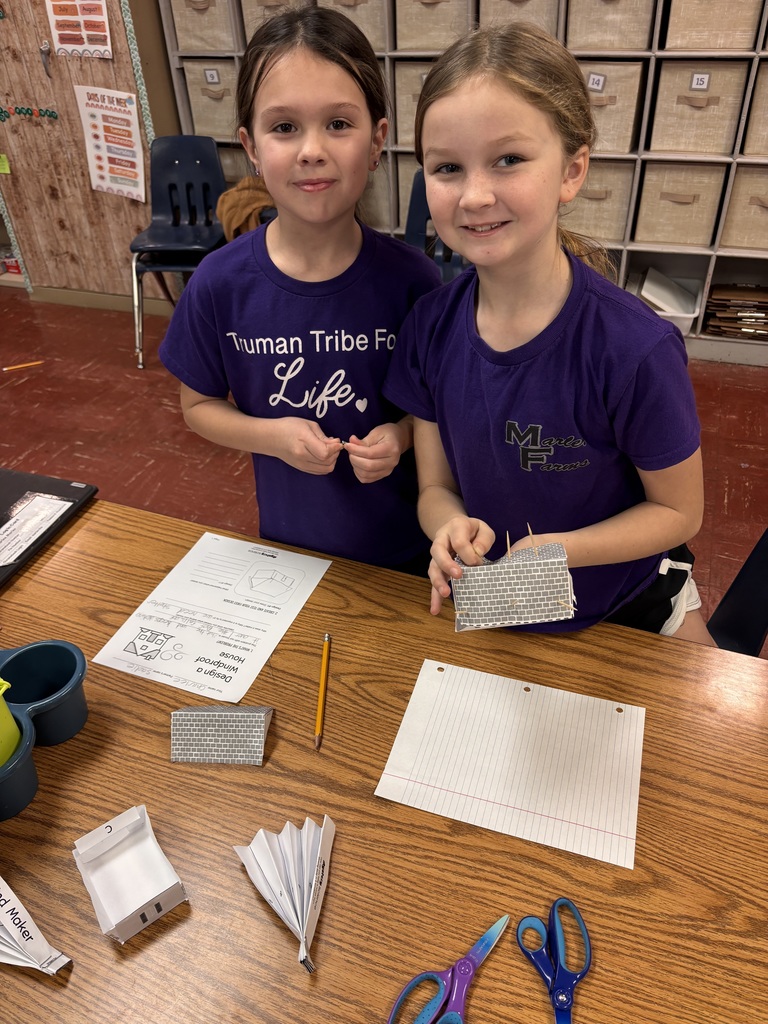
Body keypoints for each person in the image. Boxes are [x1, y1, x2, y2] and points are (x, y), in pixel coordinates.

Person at [384, 21, 716, 643]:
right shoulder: (430, 327)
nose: (476, 194)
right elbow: (435, 487)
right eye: (448, 167)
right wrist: (448, 527)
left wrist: (563, 552)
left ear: (572, 170)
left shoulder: (633, 349)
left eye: (508, 160)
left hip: (626, 602)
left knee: (702, 741)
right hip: (501, 600)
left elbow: (678, 511)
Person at [159, 6, 442, 572]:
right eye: (284, 127)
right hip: (289, 550)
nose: (312, 149)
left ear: (377, 140)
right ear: (252, 147)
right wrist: (271, 436)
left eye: (338, 123)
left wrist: (401, 436)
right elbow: (198, 407)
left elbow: (435, 412)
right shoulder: (220, 283)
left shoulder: (415, 281)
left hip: (407, 556)